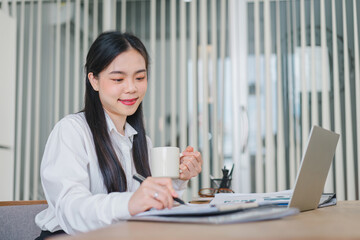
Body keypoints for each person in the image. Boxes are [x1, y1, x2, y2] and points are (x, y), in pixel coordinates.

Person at [35, 31, 203, 239]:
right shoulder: (71, 131)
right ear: (94, 81)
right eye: (118, 79)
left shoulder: (141, 141)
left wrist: (178, 178)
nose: (132, 88)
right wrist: (130, 202)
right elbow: (71, 209)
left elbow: (152, 210)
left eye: (140, 77)